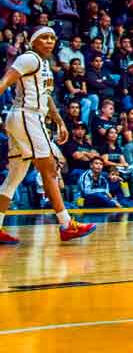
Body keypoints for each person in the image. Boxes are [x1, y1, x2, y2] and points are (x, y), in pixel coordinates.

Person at [0, 26, 97, 244]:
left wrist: (60, 121)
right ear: (33, 41)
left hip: (28, 118)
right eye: (44, 37)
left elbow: (47, 97)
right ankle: (66, 224)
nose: (50, 41)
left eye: (52, 37)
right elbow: (6, 81)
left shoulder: (43, 65)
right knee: (50, 168)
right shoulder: (29, 58)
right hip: (27, 116)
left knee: (14, 177)